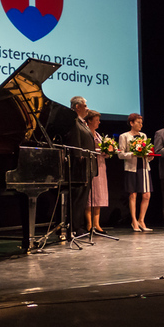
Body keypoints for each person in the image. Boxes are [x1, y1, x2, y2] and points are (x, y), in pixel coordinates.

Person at [65, 96, 98, 236]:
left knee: (82, 200)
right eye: (85, 106)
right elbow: (75, 145)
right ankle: (74, 228)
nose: (87, 108)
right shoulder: (73, 122)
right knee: (78, 199)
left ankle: (78, 227)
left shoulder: (81, 123)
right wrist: (79, 159)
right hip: (80, 169)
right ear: (77, 107)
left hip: (87, 167)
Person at [117, 113, 154, 232]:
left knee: (146, 195)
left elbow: (147, 151)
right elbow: (120, 154)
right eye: (138, 123)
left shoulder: (143, 136)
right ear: (131, 123)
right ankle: (134, 221)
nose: (140, 125)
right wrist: (133, 154)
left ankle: (141, 220)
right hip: (131, 168)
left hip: (143, 167)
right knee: (133, 195)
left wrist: (150, 156)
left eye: (141, 123)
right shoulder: (124, 136)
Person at [85, 110, 109, 233]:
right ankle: (89, 224)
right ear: (89, 121)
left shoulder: (98, 135)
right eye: (96, 120)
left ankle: (97, 224)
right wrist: (100, 150)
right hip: (90, 166)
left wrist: (108, 151)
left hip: (100, 166)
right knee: (90, 196)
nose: (99, 122)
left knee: (99, 195)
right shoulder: (86, 133)